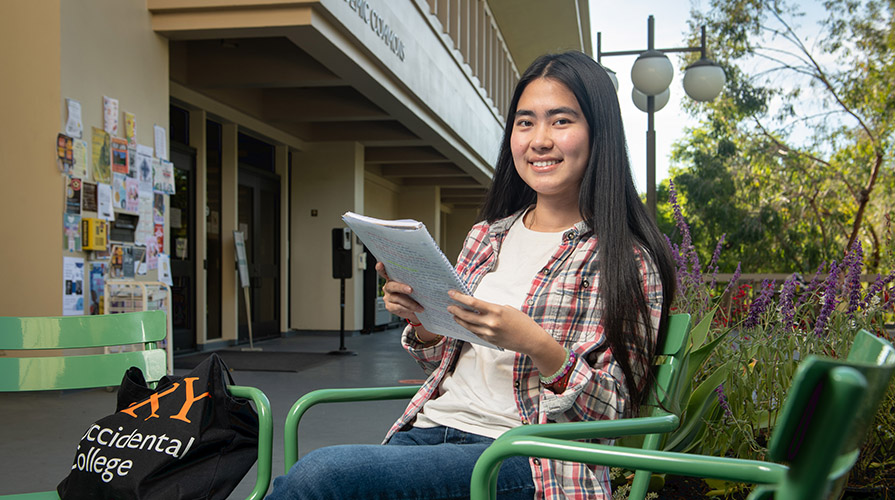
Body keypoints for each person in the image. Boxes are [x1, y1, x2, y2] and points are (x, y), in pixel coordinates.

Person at [266, 50, 676, 500]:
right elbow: (445, 364)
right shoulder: (487, 236)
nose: (539, 140)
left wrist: (536, 344)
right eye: (525, 122)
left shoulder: (627, 259)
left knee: (323, 475)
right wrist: (423, 326)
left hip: (527, 458)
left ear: (600, 134)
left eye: (561, 121)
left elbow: (614, 414)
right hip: (430, 431)